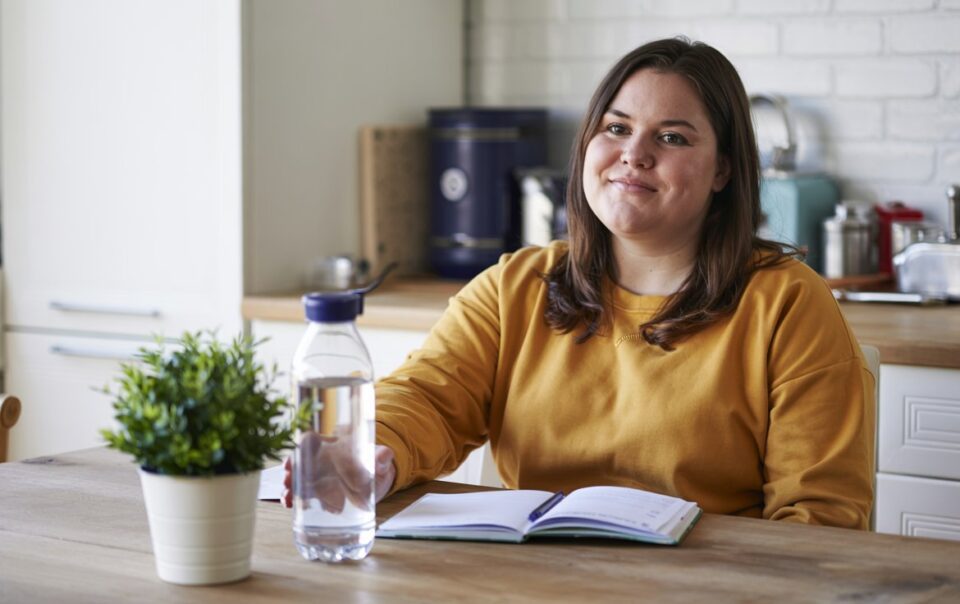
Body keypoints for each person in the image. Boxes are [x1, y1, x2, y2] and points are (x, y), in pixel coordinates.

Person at [284, 37, 876, 530]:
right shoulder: (514, 286)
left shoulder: (787, 303)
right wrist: (371, 452)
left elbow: (821, 516)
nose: (634, 154)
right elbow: (425, 397)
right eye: (616, 128)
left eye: (672, 137)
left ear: (723, 168)